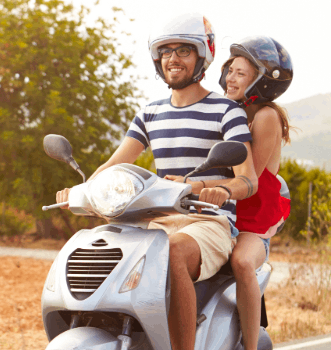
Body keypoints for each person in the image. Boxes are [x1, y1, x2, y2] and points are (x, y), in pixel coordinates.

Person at [56, 14, 259, 350]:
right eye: (165, 52)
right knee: (102, 247)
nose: (172, 59)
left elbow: (247, 179)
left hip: (207, 221)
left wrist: (219, 190)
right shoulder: (150, 112)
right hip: (156, 218)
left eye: (182, 51)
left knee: (173, 251)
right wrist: (83, 189)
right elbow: (115, 163)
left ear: (201, 57)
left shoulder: (226, 110)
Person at [219, 36, 294, 350]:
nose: (230, 78)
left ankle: (250, 346)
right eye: (230, 71)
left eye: (240, 73)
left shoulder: (265, 117)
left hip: (251, 219)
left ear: (262, 82)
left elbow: (248, 178)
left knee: (242, 263)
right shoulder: (224, 108)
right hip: (222, 211)